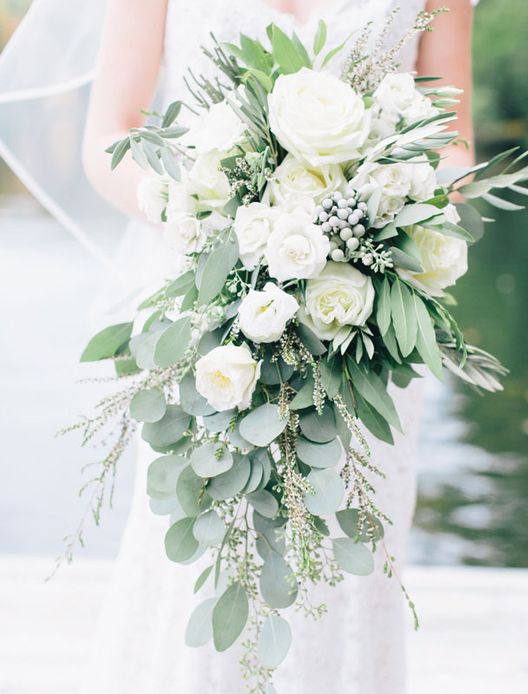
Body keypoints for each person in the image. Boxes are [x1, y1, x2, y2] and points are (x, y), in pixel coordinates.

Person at [84, 1, 474, 692]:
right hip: (206, 305)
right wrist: (204, 214)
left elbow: (456, 142)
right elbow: (108, 135)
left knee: (349, 553)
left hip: (360, 318)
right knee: (199, 547)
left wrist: (374, 207)